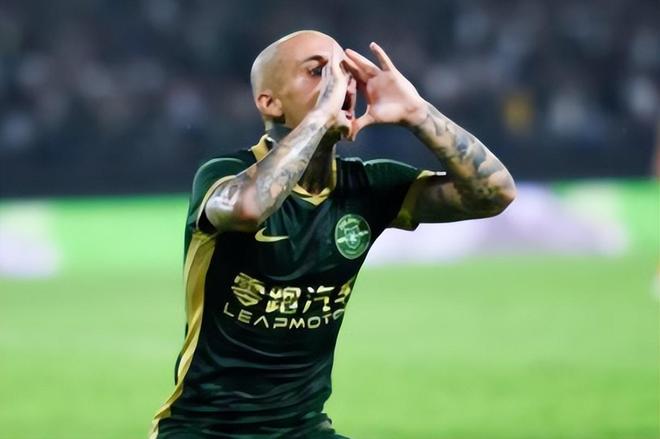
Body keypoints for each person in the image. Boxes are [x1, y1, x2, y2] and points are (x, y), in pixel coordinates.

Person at [149, 30, 516, 439]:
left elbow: (494, 194)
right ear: (269, 102)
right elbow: (250, 208)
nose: (340, 85)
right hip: (201, 429)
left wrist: (418, 113)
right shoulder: (223, 174)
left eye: (344, 73)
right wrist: (321, 115)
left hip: (304, 429)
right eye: (318, 72)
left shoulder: (368, 187)